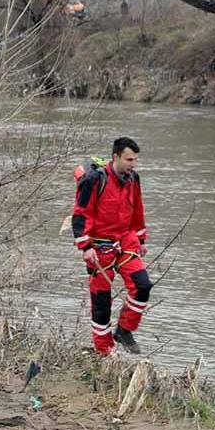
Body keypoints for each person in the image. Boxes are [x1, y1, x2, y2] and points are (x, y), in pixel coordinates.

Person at [72, 136, 152, 355]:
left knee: (143, 286)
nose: (133, 164)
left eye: (135, 160)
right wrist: (85, 246)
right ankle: (104, 352)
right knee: (101, 303)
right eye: (128, 159)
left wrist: (141, 239)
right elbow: (80, 214)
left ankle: (125, 330)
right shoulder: (95, 180)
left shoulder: (133, 178)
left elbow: (137, 209)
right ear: (115, 157)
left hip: (125, 241)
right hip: (98, 246)